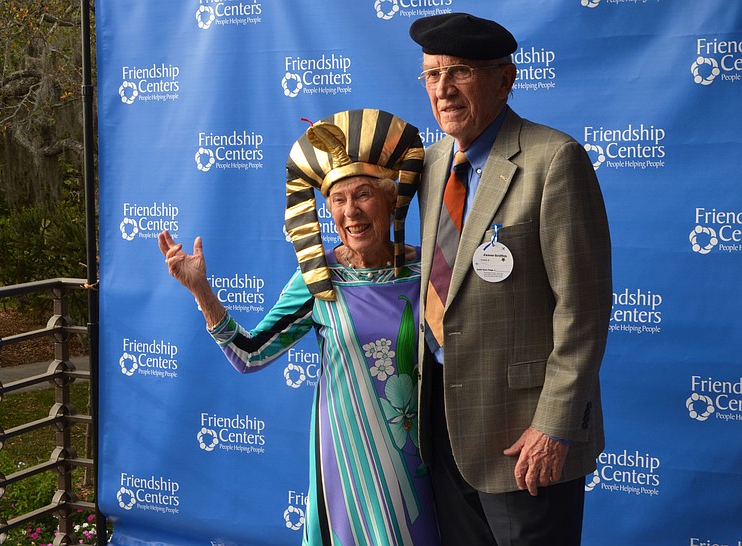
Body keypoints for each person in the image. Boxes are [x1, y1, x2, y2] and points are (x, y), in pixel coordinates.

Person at [158, 109, 440, 545]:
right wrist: (201, 291)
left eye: (364, 194)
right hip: (347, 459)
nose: (351, 212)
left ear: (391, 198)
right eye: (338, 200)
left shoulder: (430, 270)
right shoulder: (318, 277)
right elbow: (250, 355)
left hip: (421, 458)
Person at [408, 13, 613, 546]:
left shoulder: (554, 160)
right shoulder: (430, 165)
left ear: (505, 78)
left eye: (459, 72)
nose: (443, 89)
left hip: (525, 435)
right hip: (444, 423)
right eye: (431, 75)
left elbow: (583, 311)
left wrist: (554, 425)